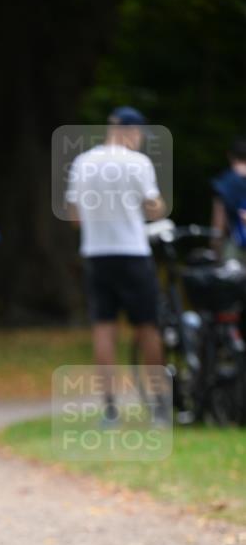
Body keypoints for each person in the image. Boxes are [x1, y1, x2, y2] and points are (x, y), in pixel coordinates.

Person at [65, 107, 167, 422]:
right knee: (148, 327)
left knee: (103, 329)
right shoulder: (138, 164)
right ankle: (160, 405)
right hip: (133, 253)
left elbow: (73, 216)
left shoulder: (83, 163)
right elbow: (153, 210)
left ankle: (110, 408)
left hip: (96, 253)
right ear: (127, 131)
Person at [211, 137, 246, 263]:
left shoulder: (226, 181)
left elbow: (219, 221)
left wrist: (215, 249)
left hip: (235, 247)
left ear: (230, 156)